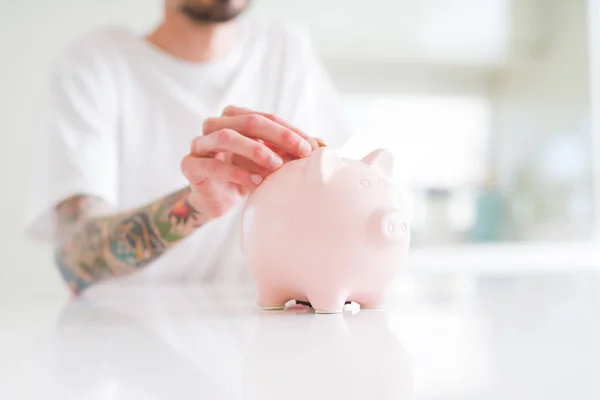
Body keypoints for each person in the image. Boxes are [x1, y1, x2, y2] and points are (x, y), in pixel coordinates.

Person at [24, 0, 352, 294]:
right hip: (120, 340)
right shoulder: (94, 63)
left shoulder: (287, 51)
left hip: (255, 334)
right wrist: (195, 205)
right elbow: (75, 259)